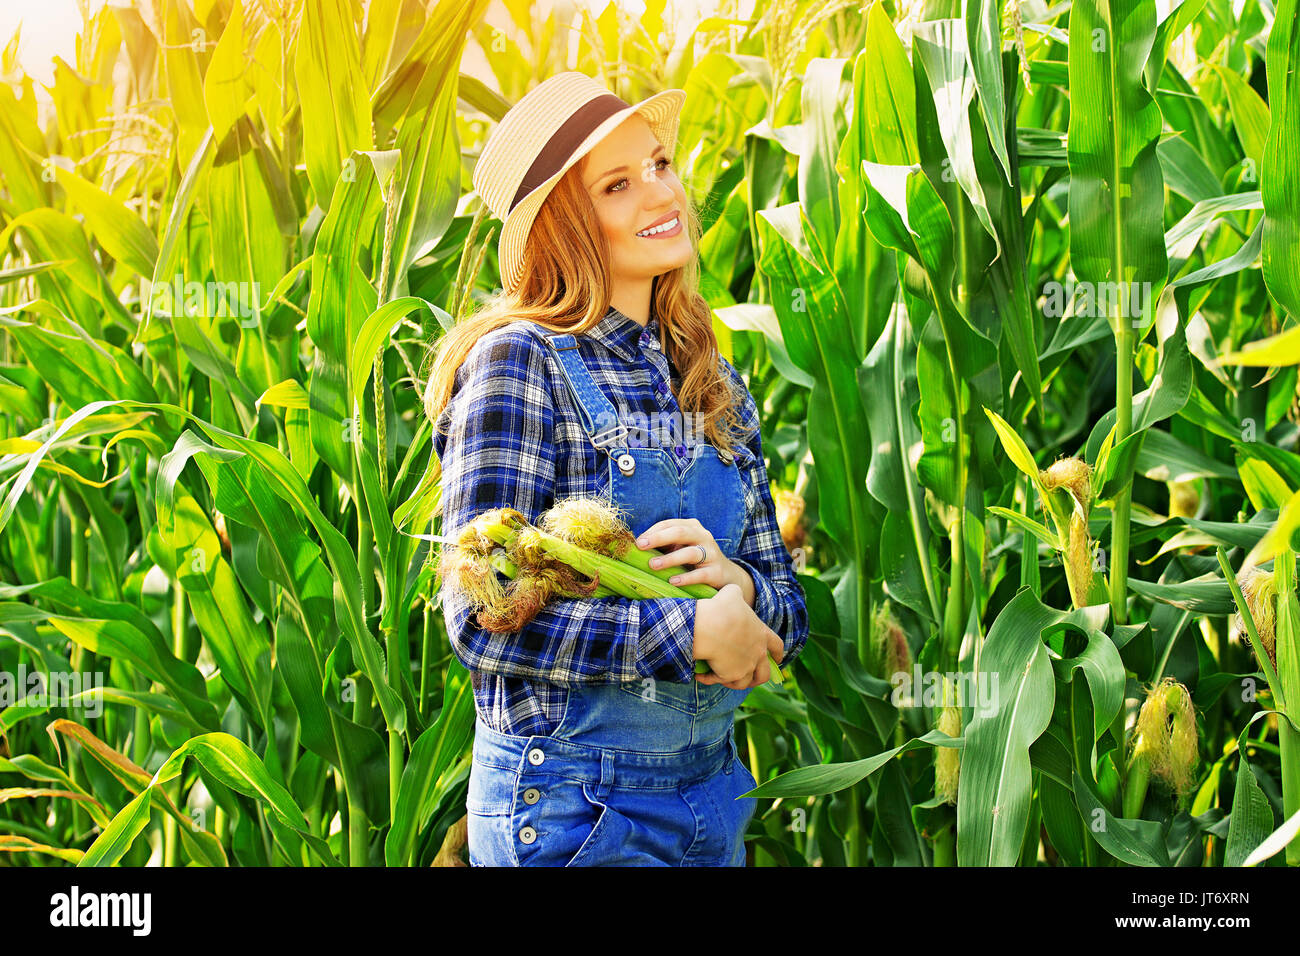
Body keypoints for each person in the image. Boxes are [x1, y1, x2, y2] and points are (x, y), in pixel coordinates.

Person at [425, 71, 809, 866]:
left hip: (713, 802)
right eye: (618, 184)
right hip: (573, 810)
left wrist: (738, 587)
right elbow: (478, 620)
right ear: (565, 224)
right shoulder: (518, 363)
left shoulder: (714, 380)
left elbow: (786, 610)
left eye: (661, 165)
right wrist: (690, 627)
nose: (660, 194)